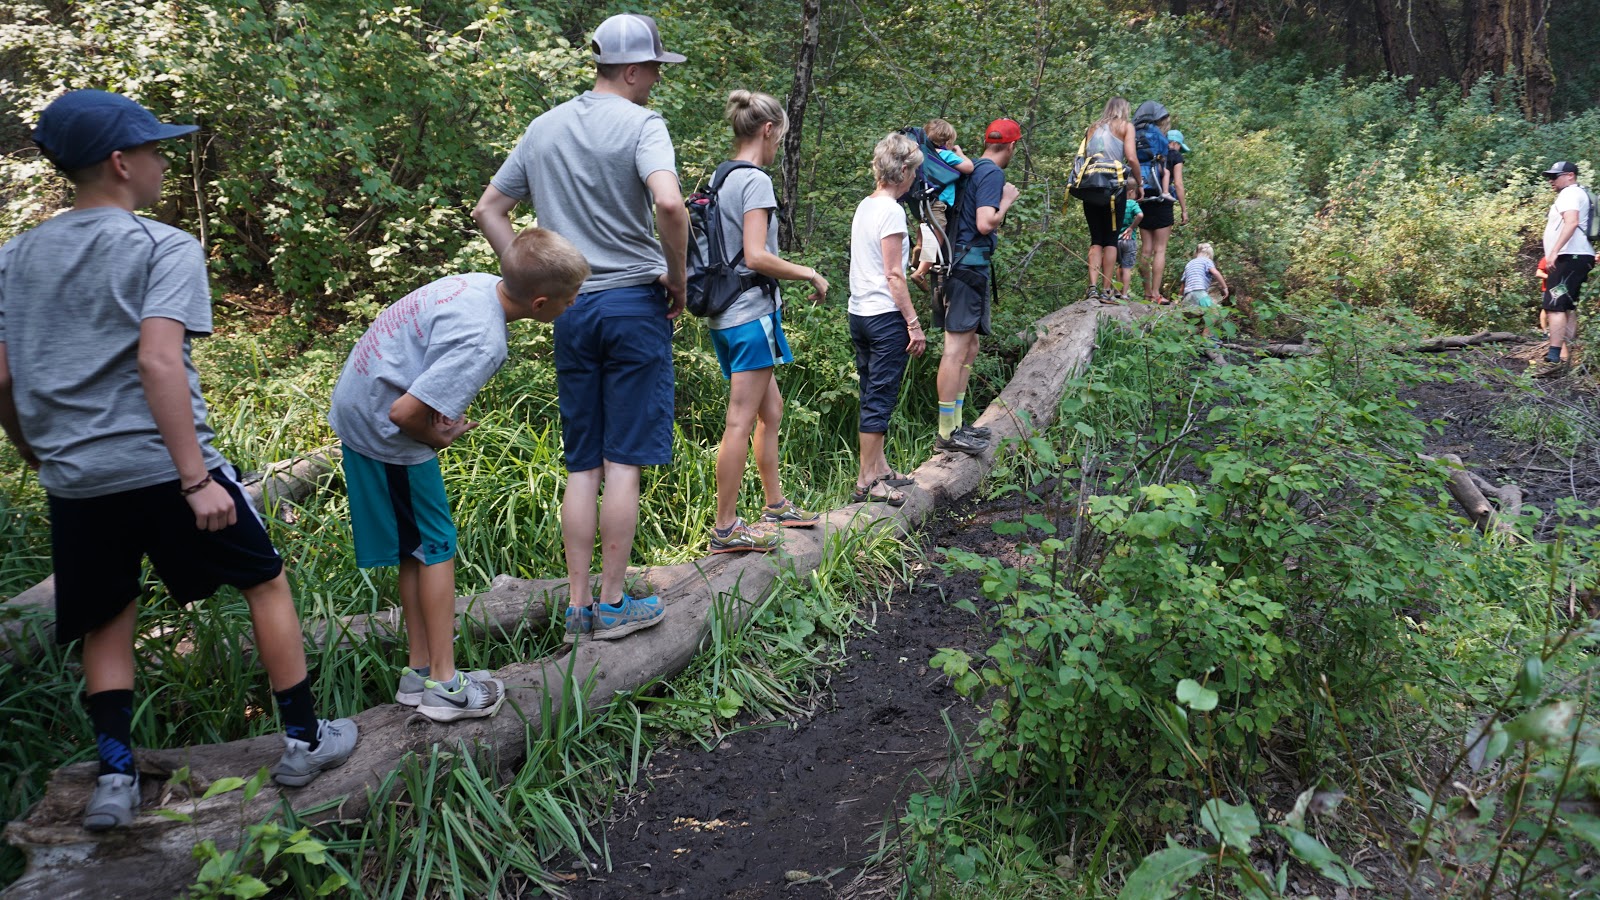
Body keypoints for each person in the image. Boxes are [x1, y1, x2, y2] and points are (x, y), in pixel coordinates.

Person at [0, 90, 358, 829]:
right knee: (265, 582)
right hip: (165, 468)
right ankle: (304, 740)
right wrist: (196, 480)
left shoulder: (15, 256)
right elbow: (158, 361)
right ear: (120, 162)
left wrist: (34, 450)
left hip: (76, 478)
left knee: (106, 616)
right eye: (154, 150)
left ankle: (115, 777)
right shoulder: (161, 246)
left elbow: (3, 376)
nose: (164, 163)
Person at [472, 14, 688, 640]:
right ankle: (614, 606)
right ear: (631, 69)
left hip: (571, 309)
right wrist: (678, 277)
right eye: (654, 69)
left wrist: (534, 280)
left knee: (582, 464)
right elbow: (669, 203)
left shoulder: (544, 128)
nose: (656, 80)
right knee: (622, 463)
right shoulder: (642, 125)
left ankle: (577, 608)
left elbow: (489, 209)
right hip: (633, 306)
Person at [329, 229, 585, 714]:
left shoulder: (475, 284)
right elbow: (405, 414)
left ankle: (420, 672)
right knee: (436, 548)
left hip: (360, 403)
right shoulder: (486, 342)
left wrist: (429, 421)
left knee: (417, 550)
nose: (572, 304)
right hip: (382, 428)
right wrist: (437, 436)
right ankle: (445, 687)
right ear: (540, 303)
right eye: (569, 298)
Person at [705, 90, 828, 553]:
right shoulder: (754, 180)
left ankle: (774, 505)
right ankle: (725, 528)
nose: (779, 146)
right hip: (748, 315)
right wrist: (809, 273)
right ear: (768, 130)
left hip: (726, 313)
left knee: (769, 410)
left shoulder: (720, 177)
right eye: (780, 137)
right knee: (739, 421)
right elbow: (756, 255)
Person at [849, 133, 927, 505]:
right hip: (884, 317)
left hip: (859, 313)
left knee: (871, 391)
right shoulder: (892, 211)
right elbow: (894, 274)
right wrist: (913, 322)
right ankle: (866, 481)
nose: (916, 178)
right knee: (880, 397)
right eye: (915, 171)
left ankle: (879, 467)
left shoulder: (866, 205)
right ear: (905, 170)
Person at [935, 117, 1021, 455]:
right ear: (1011, 146)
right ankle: (947, 433)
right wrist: (1007, 200)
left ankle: (957, 424)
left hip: (962, 267)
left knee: (969, 347)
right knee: (956, 350)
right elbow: (985, 223)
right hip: (966, 268)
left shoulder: (971, 168)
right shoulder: (992, 174)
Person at [1537, 161, 1593, 375]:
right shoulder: (1579, 193)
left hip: (1568, 257)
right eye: (1549, 177)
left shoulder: (1569, 193)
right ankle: (1565, 358)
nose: (1551, 181)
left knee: (1554, 305)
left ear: (1570, 175)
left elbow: (1571, 222)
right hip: (1577, 256)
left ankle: (1553, 356)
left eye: (1555, 176)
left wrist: (1554, 252)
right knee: (1567, 307)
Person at [1080, 98, 1138, 301]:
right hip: (1114, 187)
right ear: (1124, 110)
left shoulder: (1092, 128)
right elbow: (1131, 157)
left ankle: (1092, 288)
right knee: (1111, 240)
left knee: (1096, 238)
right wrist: (1139, 182)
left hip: (1090, 186)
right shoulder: (1125, 127)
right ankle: (1106, 290)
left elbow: (1085, 156)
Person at [909, 118, 974, 291]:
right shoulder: (946, 155)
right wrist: (959, 153)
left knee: (925, 226)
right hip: (938, 202)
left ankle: (919, 247)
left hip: (923, 201)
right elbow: (969, 167)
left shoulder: (923, 157)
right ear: (948, 141)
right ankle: (921, 272)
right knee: (937, 234)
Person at [1133, 101, 1178, 304]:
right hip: (1161, 197)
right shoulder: (1161, 139)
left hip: (1141, 194)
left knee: (1146, 249)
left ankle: (1146, 293)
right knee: (1160, 250)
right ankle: (1156, 293)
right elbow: (1165, 166)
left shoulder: (1136, 134)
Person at [1180, 242, 1229, 339]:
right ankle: (1206, 338)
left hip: (1188, 295)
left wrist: (1178, 299)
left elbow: (1183, 284)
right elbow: (1215, 273)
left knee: (1197, 316)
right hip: (1199, 292)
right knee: (1214, 313)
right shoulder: (1207, 261)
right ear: (1209, 254)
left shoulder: (1189, 264)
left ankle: (1191, 337)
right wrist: (1225, 287)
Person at [1114, 181, 1144, 303]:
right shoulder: (1132, 203)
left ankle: (1116, 291)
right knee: (1126, 268)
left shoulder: (1117, 203)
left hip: (1117, 240)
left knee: (1119, 266)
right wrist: (1131, 227)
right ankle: (1124, 294)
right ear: (1131, 192)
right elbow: (1140, 215)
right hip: (1129, 240)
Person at [1166, 129, 1191, 229]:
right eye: (1179, 146)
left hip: (1146, 197)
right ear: (1175, 143)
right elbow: (1178, 184)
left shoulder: (1156, 152)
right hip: (1163, 200)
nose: (1179, 149)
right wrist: (1184, 210)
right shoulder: (1175, 155)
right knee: (1161, 240)